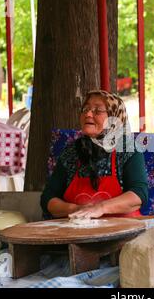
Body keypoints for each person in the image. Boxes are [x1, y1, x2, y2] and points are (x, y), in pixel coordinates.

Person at [40, 89, 148, 219]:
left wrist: (100, 208)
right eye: (85, 109)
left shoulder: (127, 149)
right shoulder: (72, 152)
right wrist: (76, 209)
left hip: (123, 230)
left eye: (97, 110)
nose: (88, 114)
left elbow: (138, 194)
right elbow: (48, 198)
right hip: (79, 230)